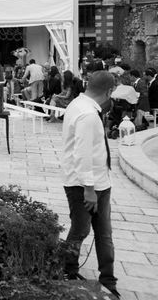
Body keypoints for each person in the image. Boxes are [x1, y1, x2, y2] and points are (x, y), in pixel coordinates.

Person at [61, 70, 119, 298]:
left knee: (104, 233)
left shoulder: (79, 104)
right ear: (109, 92)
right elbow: (82, 153)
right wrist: (89, 189)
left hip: (100, 182)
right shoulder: (87, 114)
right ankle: (68, 270)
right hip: (84, 184)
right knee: (81, 230)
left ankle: (108, 278)